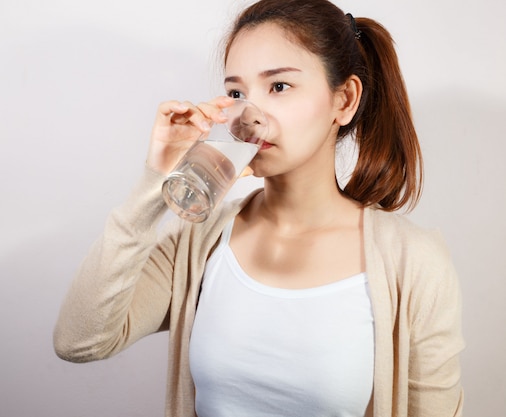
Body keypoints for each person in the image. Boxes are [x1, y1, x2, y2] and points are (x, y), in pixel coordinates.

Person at [53, 0, 464, 416]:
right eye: (236, 93)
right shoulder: (201, 242)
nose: (250, 114)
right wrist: (155, 181)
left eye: (279, 86)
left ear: (344, 100)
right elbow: (80, 341)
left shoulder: (413, 264)